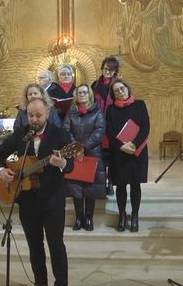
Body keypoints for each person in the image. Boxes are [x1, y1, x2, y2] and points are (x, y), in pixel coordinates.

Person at [0, 98, 73, 286]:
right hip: (27, 200)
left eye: (38, 115)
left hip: (52, 199)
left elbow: (70, 166)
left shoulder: (60, 135)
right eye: (30, 115)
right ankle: (40, 282)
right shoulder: (22, 134)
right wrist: (1, 170)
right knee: (34, 246)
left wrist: (62, 163)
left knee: (56, 245)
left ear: (48, 113)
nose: (34, 119)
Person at [105, 80, 150, 232]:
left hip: (137, 152)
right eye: (116, 91)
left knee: (135, 185)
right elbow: (109, 131)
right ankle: (122, 215)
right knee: (121, 185)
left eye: (122, 88)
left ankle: (135, 215)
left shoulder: (140, 105)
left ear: (127, 88)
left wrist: (134, 144)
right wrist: (121, 146)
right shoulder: (111, 109)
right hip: (119, 153)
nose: (120, 92)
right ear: (113, 94)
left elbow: (145, 127)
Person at [63, 84, 106, 231]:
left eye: (84, 92)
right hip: (75, 154)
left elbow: (99, 132)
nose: (82, 94)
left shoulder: (97, 113)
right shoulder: (71, 112)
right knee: (76, 188)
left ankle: (89, 218)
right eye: (79, 92)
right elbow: (66, 130)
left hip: (92, 154)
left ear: (89, 95)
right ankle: (79, 217)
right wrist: (75, 148)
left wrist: (83, 147)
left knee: (91, 188)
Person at [91, 56, 120, 195]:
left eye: (111, 69)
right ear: (102, 68)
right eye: (106, 68)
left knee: (112, 156)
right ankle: (101, 183)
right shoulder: (95, 85)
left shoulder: (118, 85)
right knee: (100, 156)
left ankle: (111, 182)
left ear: (115, 71)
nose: (108, 71)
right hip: (97, 124)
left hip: (112, 124)